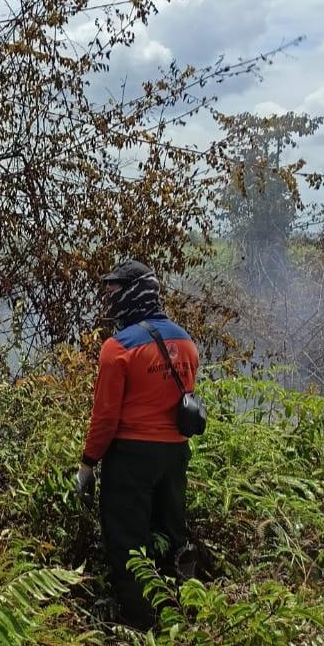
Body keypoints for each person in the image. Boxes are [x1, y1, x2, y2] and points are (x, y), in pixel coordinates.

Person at [75, 259, 200, 627]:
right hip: (175, 456)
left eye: (115, 293)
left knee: (129, 545)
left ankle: (143, 630)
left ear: (133, 294)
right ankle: (184, 614)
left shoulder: (117, 349)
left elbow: (105, 418)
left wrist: (87, 464)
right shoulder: (186, 342)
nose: (110, 301)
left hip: (130, 459)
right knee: (172, 535)